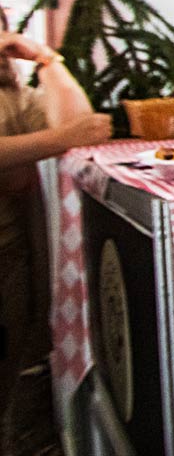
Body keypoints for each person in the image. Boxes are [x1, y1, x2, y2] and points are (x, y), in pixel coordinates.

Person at [0, 29, 111, 452]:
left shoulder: (11, 93)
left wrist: (48, 60)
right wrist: (57, 140)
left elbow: (78, 126)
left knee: (9, 360)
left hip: (10, 247)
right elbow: (65, 135)